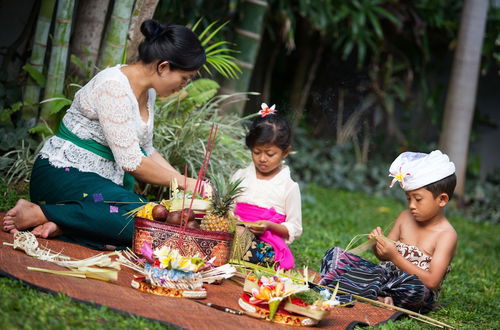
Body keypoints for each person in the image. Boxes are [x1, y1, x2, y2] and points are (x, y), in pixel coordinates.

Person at [2, 19, 206, 250]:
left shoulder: (147, 93)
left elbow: (147, 149)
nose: (184, 85)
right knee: (143, 227)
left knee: (154, 220)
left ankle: (62, 223)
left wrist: (187, 184)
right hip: (64, 175)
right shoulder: (113, 86)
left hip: (101, 187)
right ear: (163, 67)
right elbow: (132, 162)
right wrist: (184, 182)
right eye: (185, 78)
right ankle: (42, 211)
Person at [318, 150, 458, 313]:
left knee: (417, 290)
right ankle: (378, 297)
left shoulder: (446, 235)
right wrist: (378, 244)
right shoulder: (405, 217)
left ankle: (360, 291)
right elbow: (383, 257)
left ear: (442, 199)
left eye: (418, 199)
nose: (411, 205)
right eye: (408, 198)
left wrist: (395, 256)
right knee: (334, 255)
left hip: (407, 288)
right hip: (382, 278)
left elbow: (433, 282)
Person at [231, 103, 302, 270]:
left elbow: (295, 228)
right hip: (235, 233)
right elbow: (228, 206)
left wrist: (268, 226)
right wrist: (232, 218)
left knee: (249, 247)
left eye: (270, 154)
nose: (262, 159)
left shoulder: (288, 187)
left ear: (285, 152)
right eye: (257, 152)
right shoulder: (241, 176)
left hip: (267, 244)